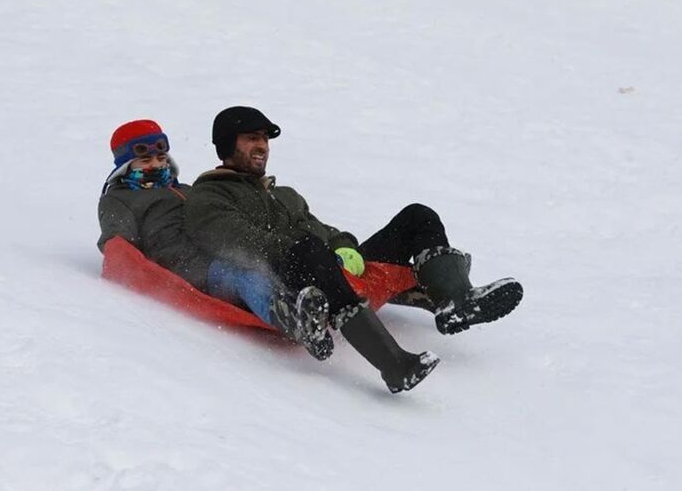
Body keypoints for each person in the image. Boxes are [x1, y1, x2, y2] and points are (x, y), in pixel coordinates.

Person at [184, 106, 523, 393]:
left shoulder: (284, 194)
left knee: (417, 216)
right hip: (296, 281)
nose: (263, 146)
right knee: (307, 246)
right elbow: (233, 240)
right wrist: (308, 250)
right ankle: (394, 364)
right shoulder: (209, 197)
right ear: (227, 145)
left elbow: (325, 230)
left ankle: (455, 302)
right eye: (252, 139)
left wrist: (344, 246)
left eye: (265, 139)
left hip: (332, 267)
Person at [97, 119, 332, 359]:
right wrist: (128, 265)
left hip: (215, 248)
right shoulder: (118, 199)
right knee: (244, 274)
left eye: (161, 158)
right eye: (146, 160)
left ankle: (313, 306)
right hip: (190, 264)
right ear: (126, 165)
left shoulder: (188, 189)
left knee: (264, 259)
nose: (156, 165)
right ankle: (292, 321)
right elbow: (117, 241)